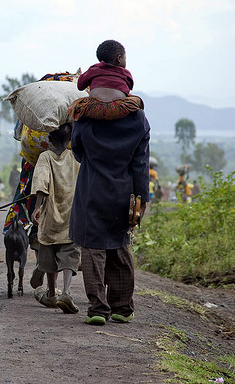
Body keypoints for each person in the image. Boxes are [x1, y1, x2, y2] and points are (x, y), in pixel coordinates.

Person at [70, 80, 150, 325]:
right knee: (119, 244)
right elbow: (140, 164)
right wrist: (142, 198)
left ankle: (97, 309)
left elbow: (78, 152)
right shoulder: (138, 120)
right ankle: (122, 308)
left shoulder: (83, 116)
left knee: (93, 248)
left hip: (91, 189)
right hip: (124, 192)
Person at [31, 124, 81, 314]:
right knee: (69, 252)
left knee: (48, 253)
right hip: (71, 214)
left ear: (49, 140)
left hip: (50, 214)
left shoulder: (45, 157)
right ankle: (66, 292)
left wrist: (37, 207)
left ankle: (51, 293)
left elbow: (42, 182)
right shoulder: (75, 157)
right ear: (69, 141)